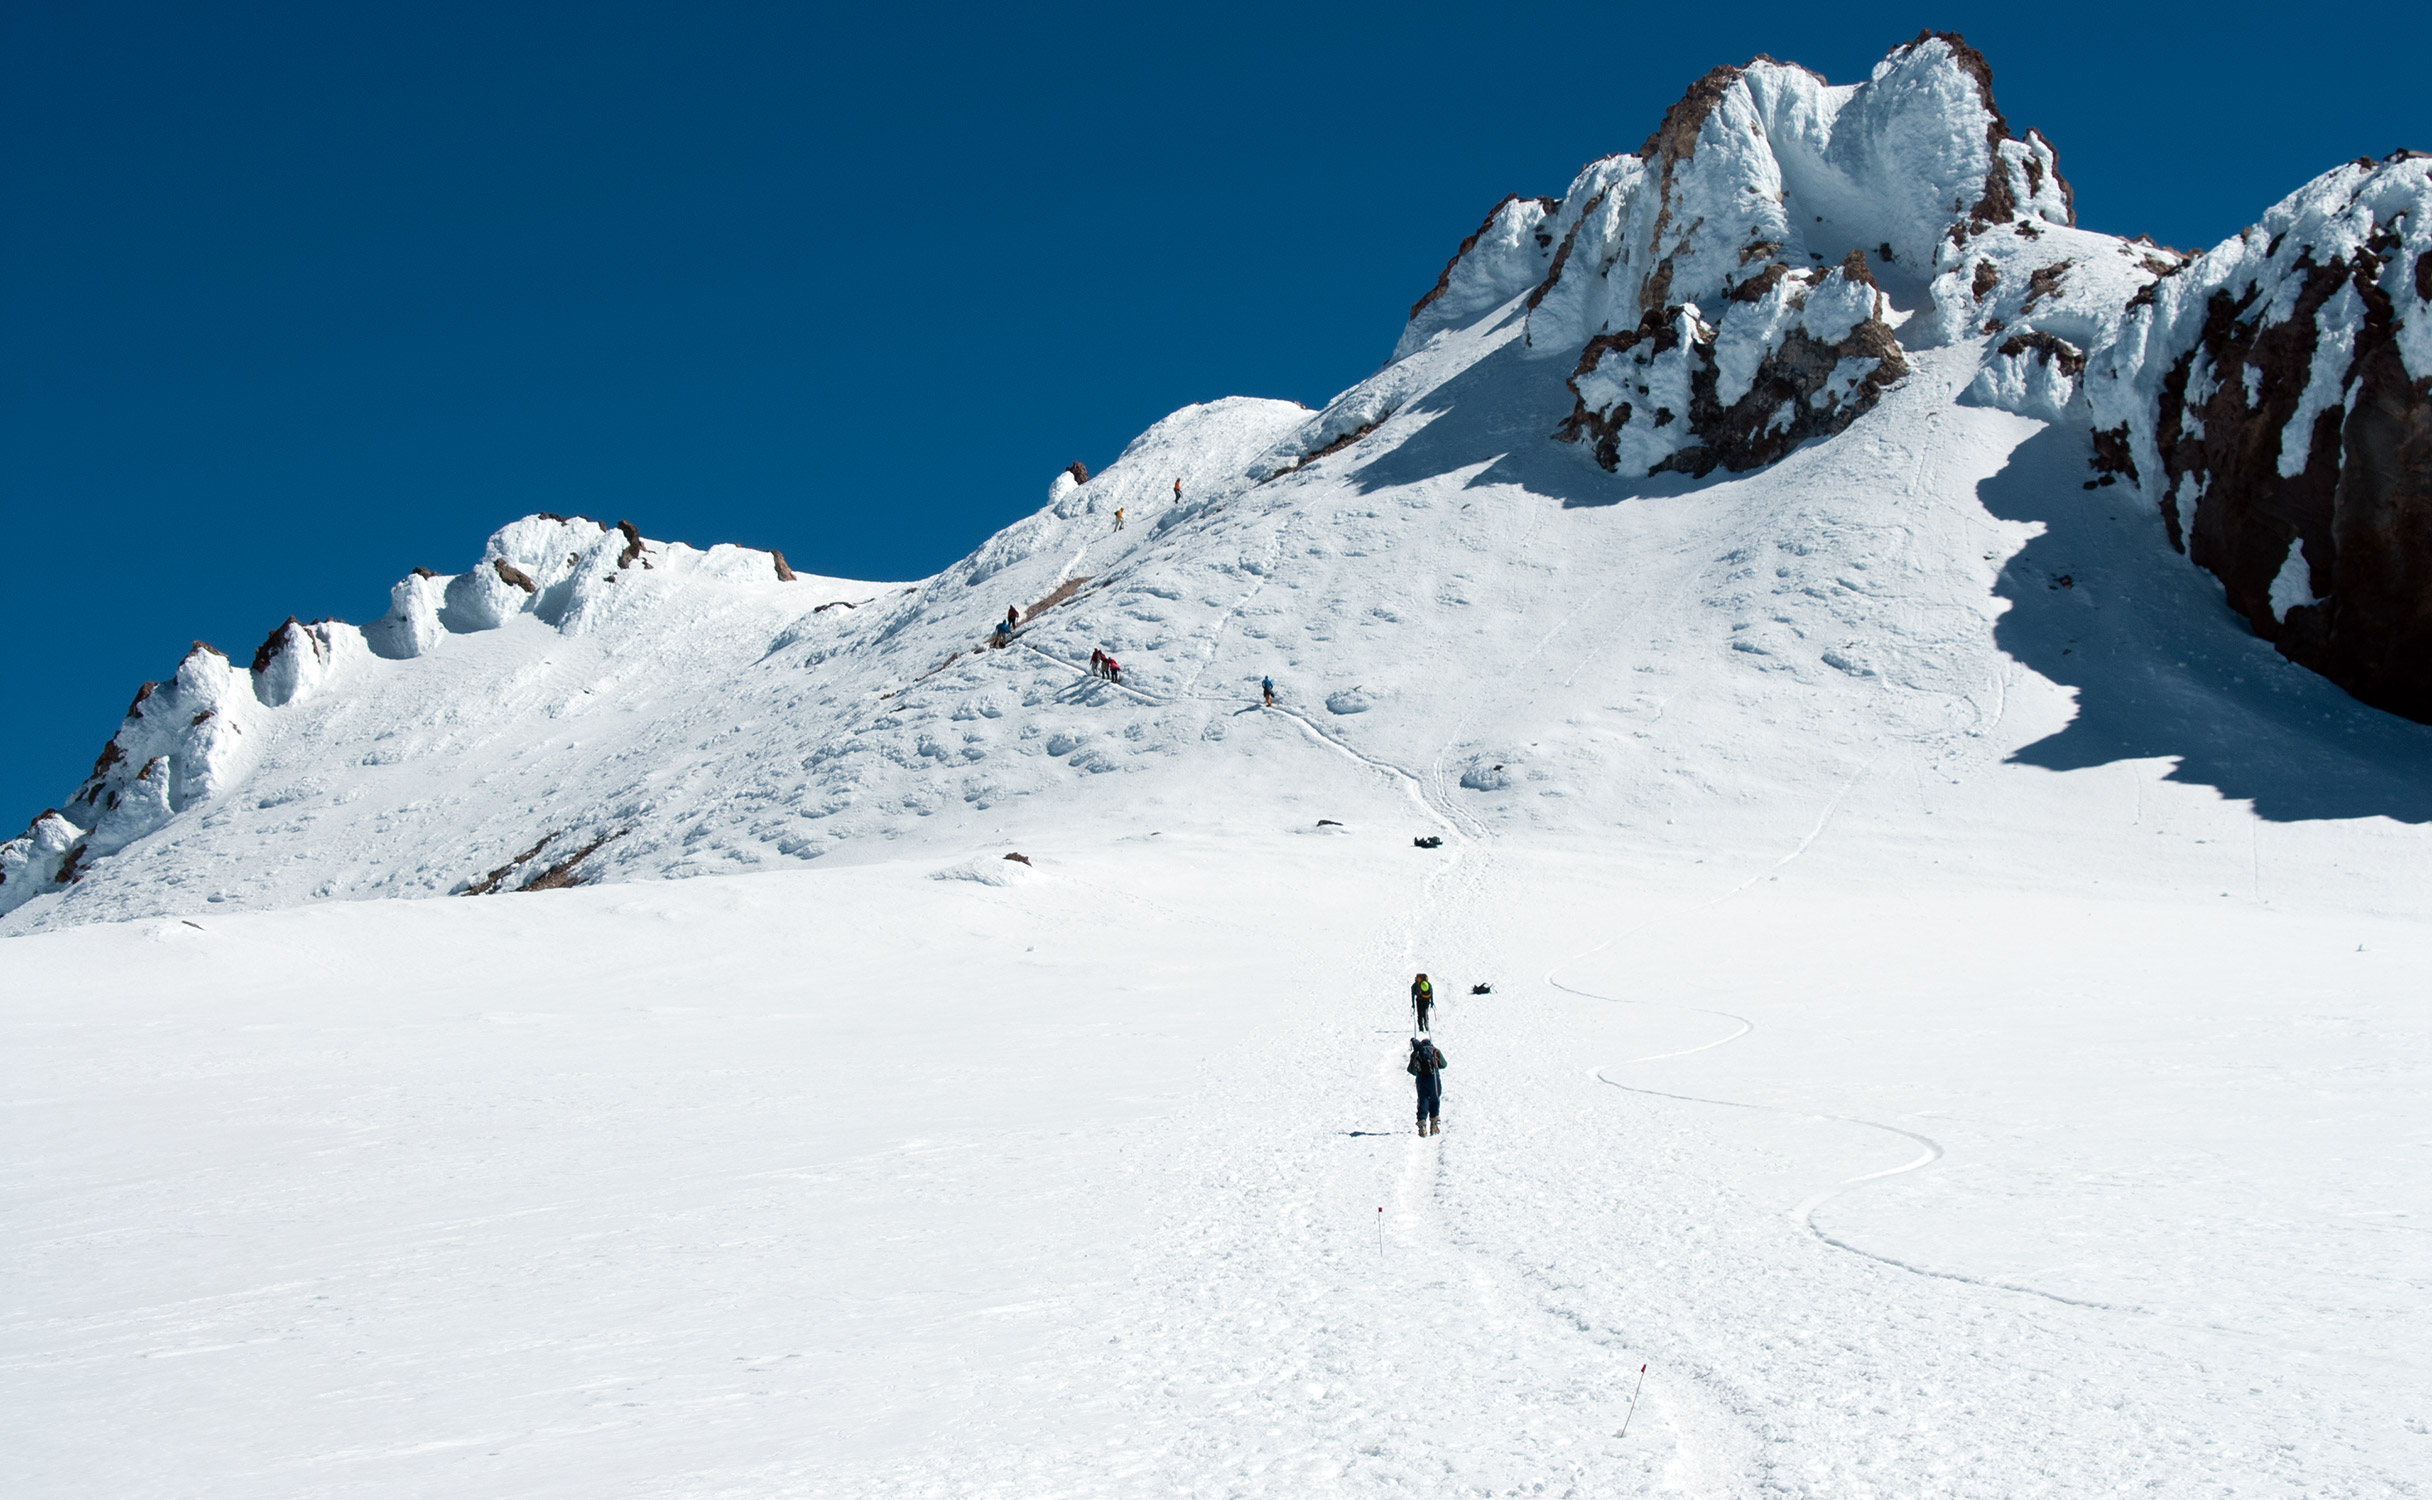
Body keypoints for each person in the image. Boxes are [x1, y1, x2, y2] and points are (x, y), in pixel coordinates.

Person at [1407, 1036, 1446, 1135]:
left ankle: (1422, 1124)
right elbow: (1444, 1064)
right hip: (1434, 1078)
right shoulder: (1435, 1051)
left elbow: (1411, 1070)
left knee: (1423, 1100)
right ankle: (1434, 1124)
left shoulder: (1417, 1052)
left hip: (1421, 1080)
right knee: (1435, 1099)